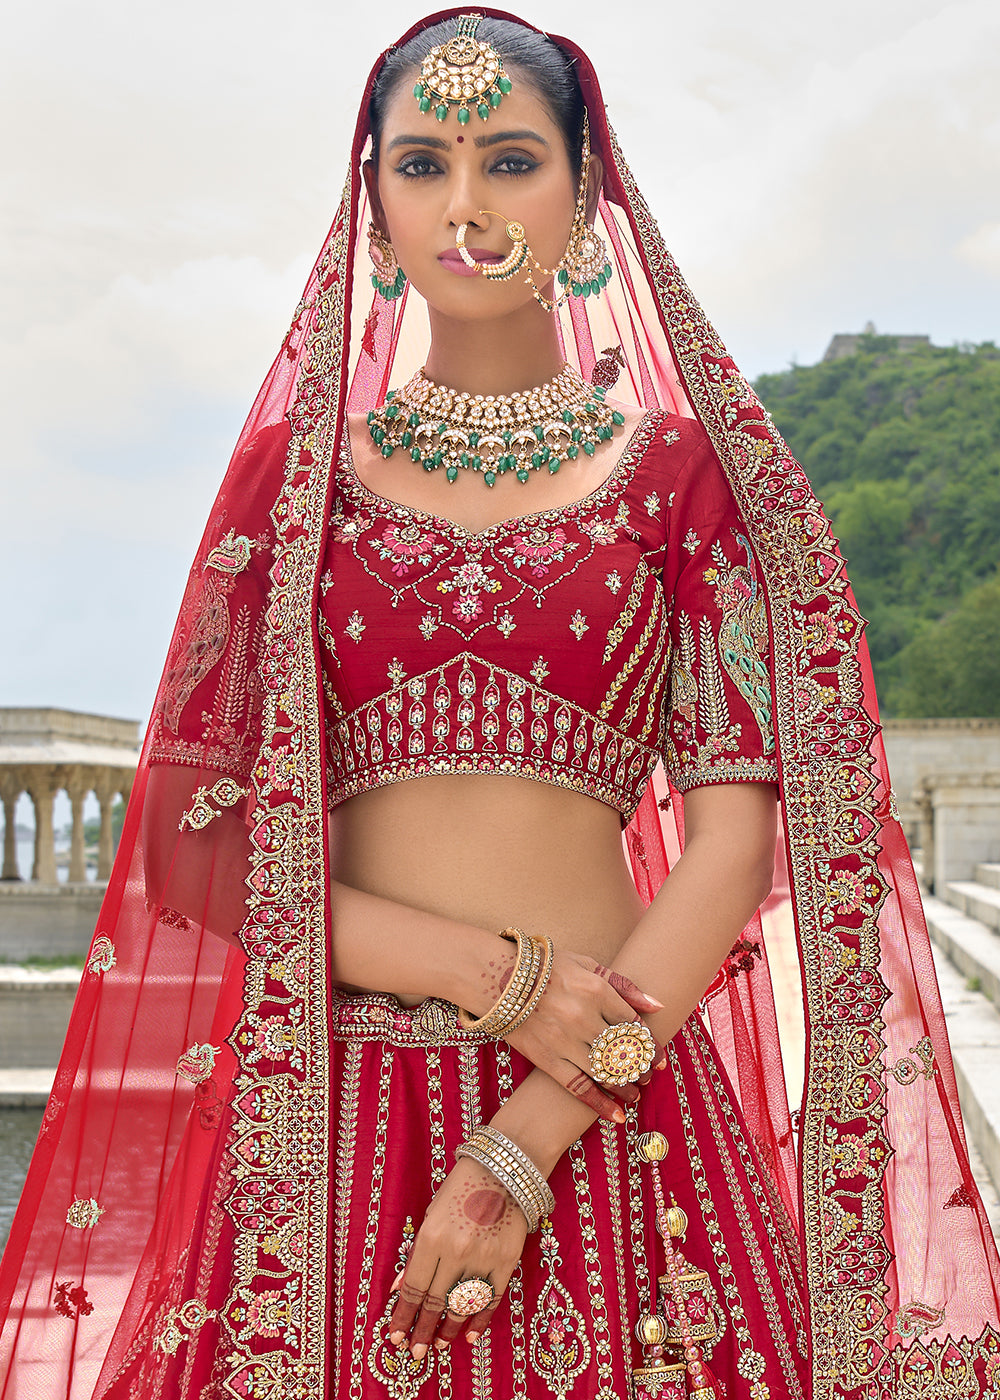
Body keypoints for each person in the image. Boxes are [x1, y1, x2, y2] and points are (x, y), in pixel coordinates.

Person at [1, 10, 999, 1399]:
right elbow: (192, 847)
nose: (463, 207)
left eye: (510, 160)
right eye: (421, 165)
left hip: (613, 1115)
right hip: (333, 1128)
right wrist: (496, 978)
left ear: (589, 196)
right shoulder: (298, 487)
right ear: (375, 200)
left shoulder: (680, 484)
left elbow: (735, 845)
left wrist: (531, 1129)